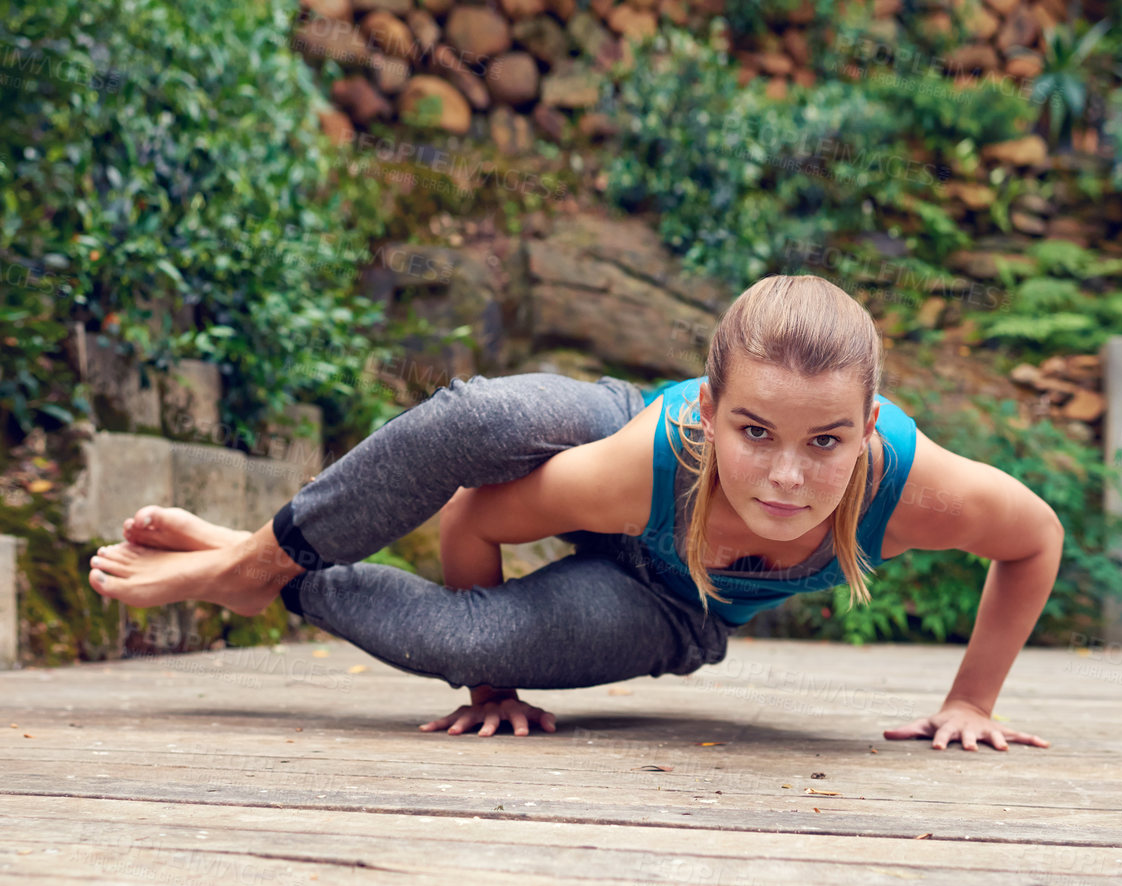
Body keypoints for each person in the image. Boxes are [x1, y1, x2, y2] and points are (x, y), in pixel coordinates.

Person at [87, 274, 1061, 750]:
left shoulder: (913, 486)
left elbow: (1034, 540)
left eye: (824, 442)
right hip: (622, 451)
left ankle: (258, 568)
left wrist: (970, 699)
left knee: (448, 633)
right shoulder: (648, 457)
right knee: (480, 419)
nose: (786, 477)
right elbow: (474, 519)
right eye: (755, 432)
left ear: (868, 427)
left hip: (671, 606)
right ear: (712, 411)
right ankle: (253, 563)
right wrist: (490, 688)